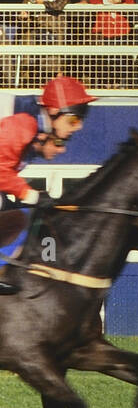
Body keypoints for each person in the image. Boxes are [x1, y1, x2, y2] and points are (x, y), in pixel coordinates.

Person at [0, 77, 96, 294]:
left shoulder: (34, 126)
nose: (78, 126)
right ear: (54, 111)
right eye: (74, 120)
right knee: (14, 216)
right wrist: (31, 195)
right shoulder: (26, 123)